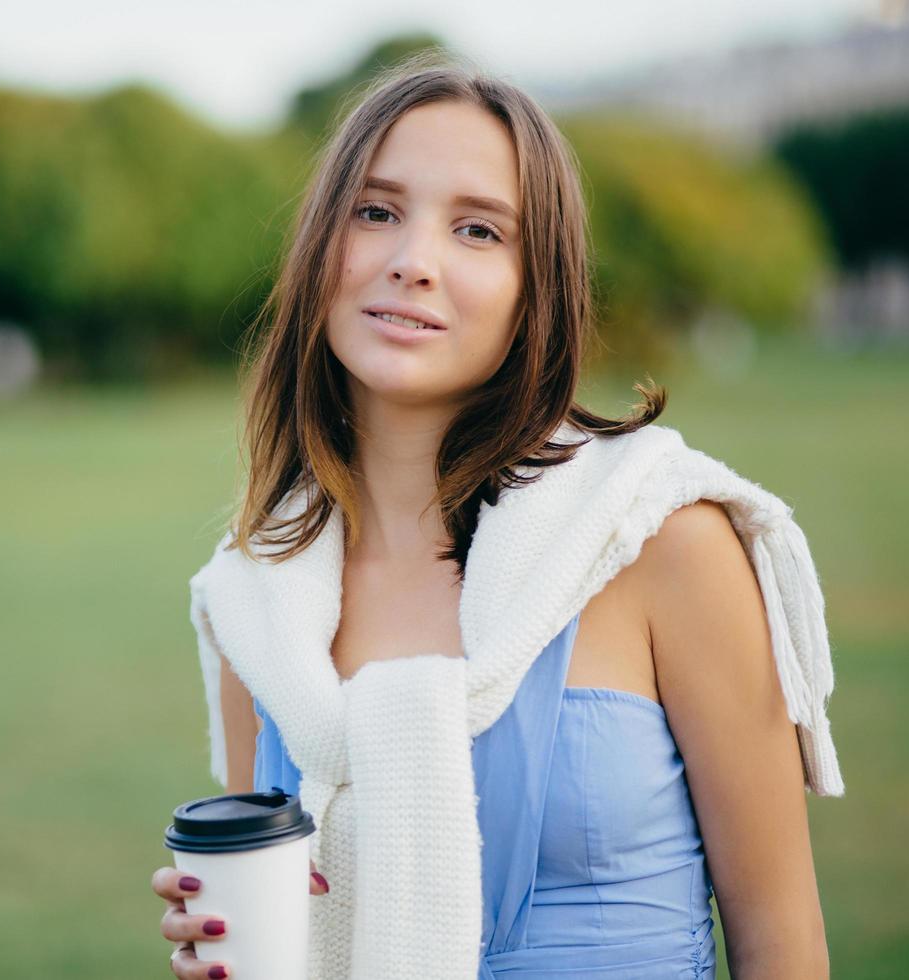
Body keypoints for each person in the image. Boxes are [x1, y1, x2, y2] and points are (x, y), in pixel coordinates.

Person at [152, 54, 834, 980]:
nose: (412, 262)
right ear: (321, 246)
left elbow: (783, 946)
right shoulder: (256, 600)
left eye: (478, 231)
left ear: (534, 287)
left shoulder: (662, 542)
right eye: (377, 211)